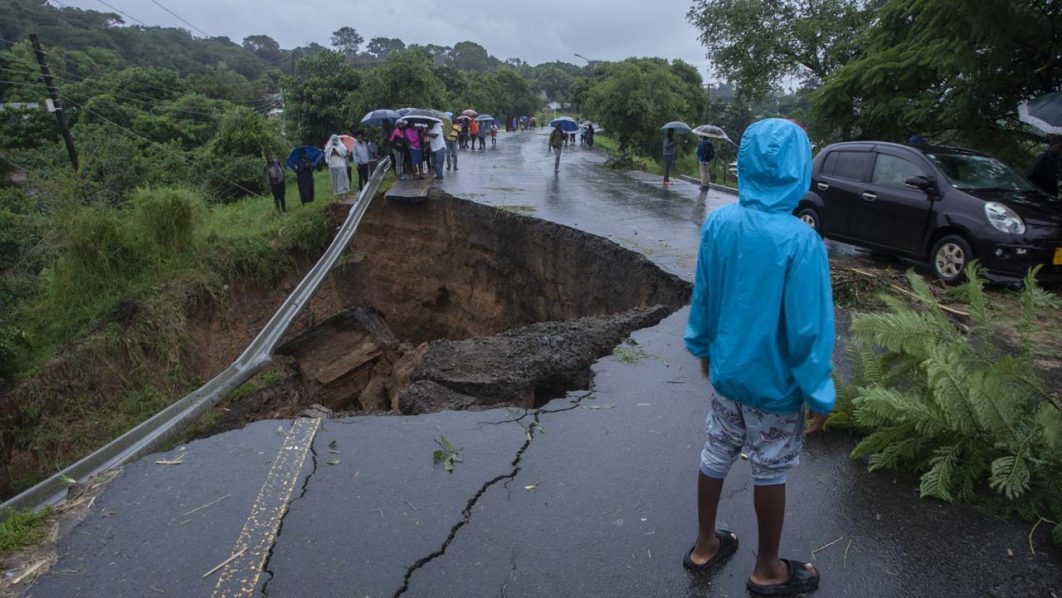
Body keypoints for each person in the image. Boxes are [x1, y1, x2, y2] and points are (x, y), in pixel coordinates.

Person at [682, 118, 832, 596]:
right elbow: (808, 329)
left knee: (716, 451)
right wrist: (819, 391)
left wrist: (703, 349)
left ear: (743, 162)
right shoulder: (801, 241)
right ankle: (768, 568)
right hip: (776, 386)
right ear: (798, 168)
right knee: (769, 467)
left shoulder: (719, 223)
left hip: (727, 375)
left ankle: (705, 544)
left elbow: (704, 295)